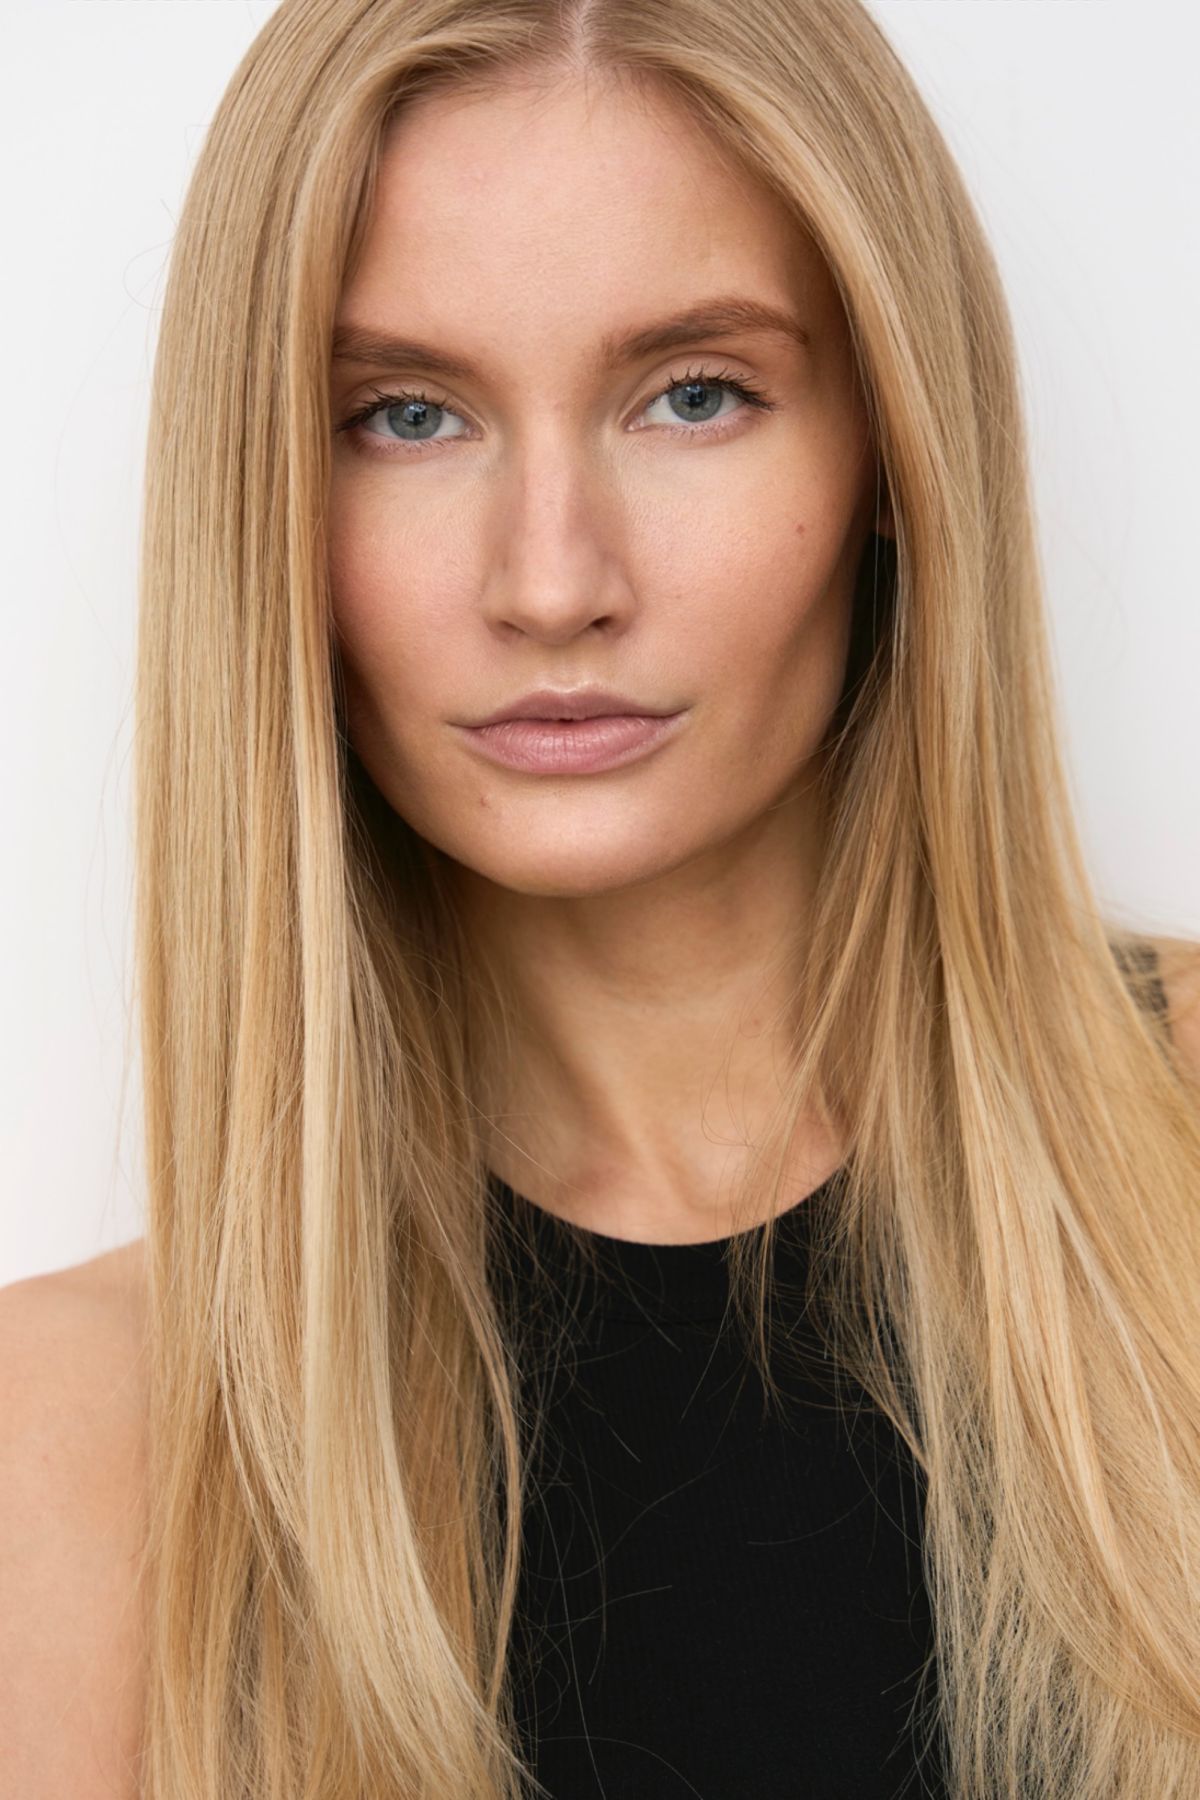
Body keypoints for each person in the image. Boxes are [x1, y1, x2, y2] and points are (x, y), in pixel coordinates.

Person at [2, 1, 1199, 1795]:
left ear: (892, 449)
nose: (553, 580)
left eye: (694, 394)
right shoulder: (70, 1457)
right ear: (268, 504)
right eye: (407, 415)